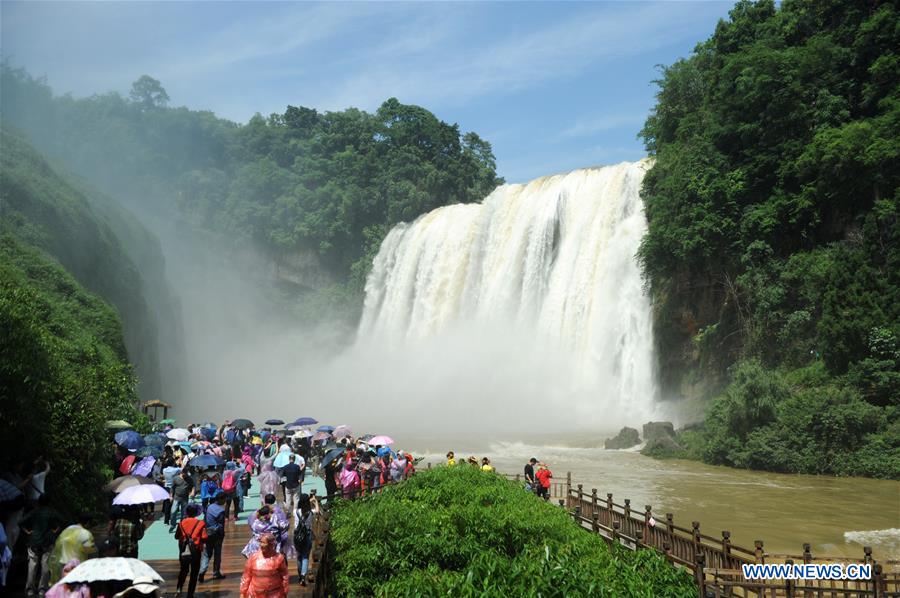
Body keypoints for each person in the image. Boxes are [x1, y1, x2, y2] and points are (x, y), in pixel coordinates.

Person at [21, 494, 63, 596]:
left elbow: (21, 522)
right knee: (45, 567)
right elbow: (62, 521)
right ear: (49, 502)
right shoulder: (51, 512)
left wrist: (27, 532)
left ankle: (29, 589)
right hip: (47, 543)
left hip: (33, 542)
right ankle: (42, 589)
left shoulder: (34, 512)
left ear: (38, 502)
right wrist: (55, 531)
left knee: (32, 566)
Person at [239, 533, 289, 598]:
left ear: (271, 545)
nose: (261, 545)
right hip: (255, 594)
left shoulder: (279, 558)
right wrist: (243, 592)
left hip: (274, 594)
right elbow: (246, 576)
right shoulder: (253, 557)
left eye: (264, 543)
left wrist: (285, 591)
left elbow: (285, 576)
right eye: (261, 542)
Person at [49, 515, 95, 583]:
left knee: (65, 587)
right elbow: (89, 551)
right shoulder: (86, 533)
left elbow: (58, 546)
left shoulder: (66, 530)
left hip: (63, 564)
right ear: (87, 523)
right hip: (78, 566)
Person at [174, 504, 207, 598]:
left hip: (184, 550)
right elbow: (204, 537)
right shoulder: (200, 523)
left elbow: (176, 536)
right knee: (194, 573)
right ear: (196, 513)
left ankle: (179, 589)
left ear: (187, 512)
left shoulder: (181, 523)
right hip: (196, 551)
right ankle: (190, 594)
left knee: (183, 570)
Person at [199, 492, 226, 583]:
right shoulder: (221, 511)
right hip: (217, 535)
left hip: (208, 533)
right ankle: (216, 573)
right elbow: (221, 525)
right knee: (217, 555)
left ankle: (202, 571)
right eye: (224, 499)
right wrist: (222, 535)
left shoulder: (209, 507)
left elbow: (205, 519)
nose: (225, 501)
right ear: (221, 499)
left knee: (207, 554)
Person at [293, 494, 316, 587]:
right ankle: (303, 576)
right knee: (305, 556)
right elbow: (318, 510)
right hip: (307, 536)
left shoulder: (296, 512)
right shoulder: (311, 512)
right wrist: (315, 501)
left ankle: (299, 575)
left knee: (299, 555)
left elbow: (296, 507)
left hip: (297, 536)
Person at [169, 469, 194, 534]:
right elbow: (172, 488)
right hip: (176, 498)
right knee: (173, 511)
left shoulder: (189, 479)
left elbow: (193, 486)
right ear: (181, 473)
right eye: (184, 474)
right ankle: (172, 525)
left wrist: (192, 492)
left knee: (184, 514)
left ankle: (182, 526)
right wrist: (171, 496)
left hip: (185, 499)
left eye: (186, 474)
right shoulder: (176, 478)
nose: (185, 475)